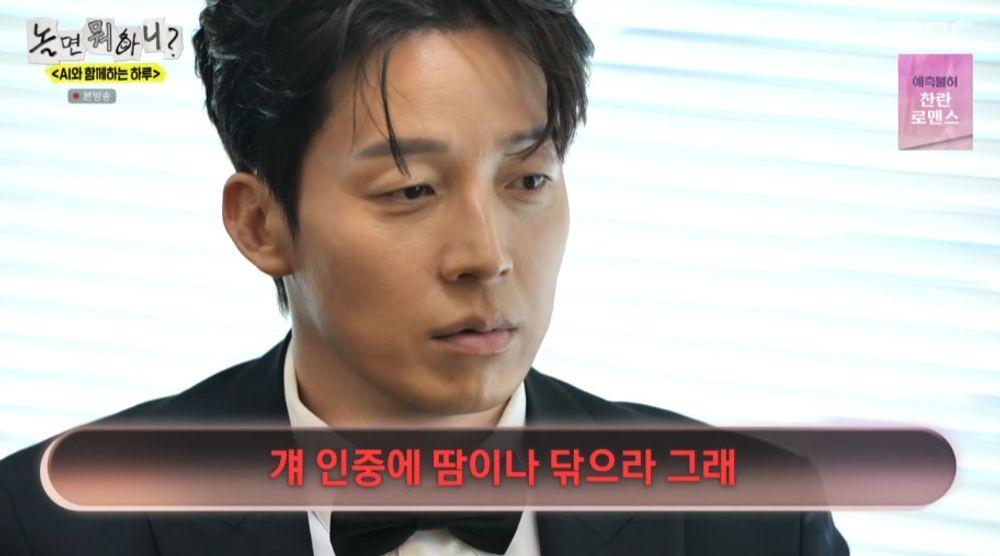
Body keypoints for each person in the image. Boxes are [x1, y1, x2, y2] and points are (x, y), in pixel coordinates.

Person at [0, 1, 849, 554]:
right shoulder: (48, 524)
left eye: (528, 179)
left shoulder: (754, 519)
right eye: (410, 190)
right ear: (260, 224)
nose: (486, 254)